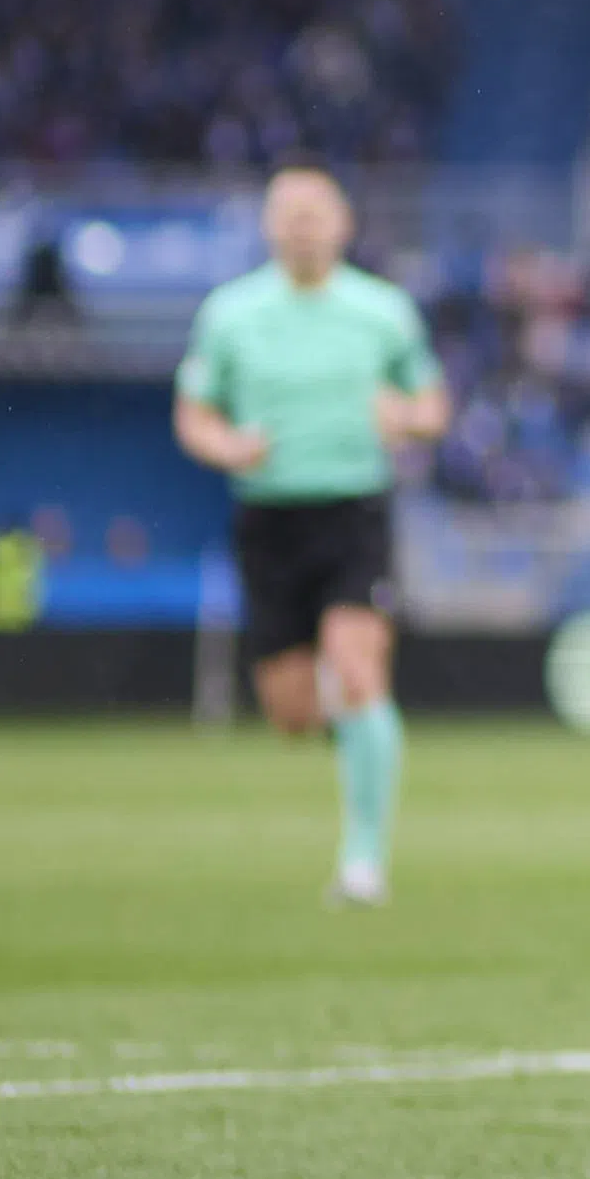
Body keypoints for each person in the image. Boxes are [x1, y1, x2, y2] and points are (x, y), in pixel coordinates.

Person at [173, 167, 447, 907]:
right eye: (288, 214)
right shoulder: (230, 313)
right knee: (293, 713)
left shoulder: (382, 311)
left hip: (354, 511)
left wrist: (410, 419)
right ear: (267, 226)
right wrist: (226, 445)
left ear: (343, 224)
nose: (301, 226)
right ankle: (359, 733)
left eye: (314, 213)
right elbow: (194, 414)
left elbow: (430, 401)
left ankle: (364, 861)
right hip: (269, 518)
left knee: (359, 673)